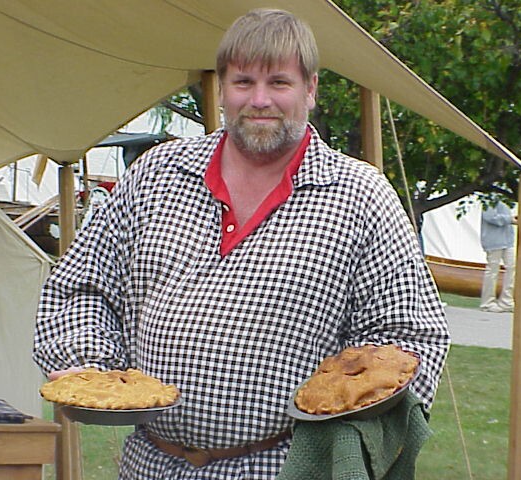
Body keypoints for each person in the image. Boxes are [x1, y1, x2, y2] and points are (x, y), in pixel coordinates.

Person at [33, 8, 450, 479]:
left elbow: (409, 337)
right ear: (222, 87)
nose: (260, 100)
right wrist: (86, 368)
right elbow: (80, 288)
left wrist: (350, 433)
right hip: (150, 464)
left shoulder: (360, 196)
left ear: (311, 89)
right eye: (243, 82)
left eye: (279, 82)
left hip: (285, 466)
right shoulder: (156, 174)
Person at [480, 200, 517, 313]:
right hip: (493, 240)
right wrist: (509, 219)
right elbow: (490, 216)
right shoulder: (490, 196)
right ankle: (487, 303)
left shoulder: (505, 194)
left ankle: (507, 301)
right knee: (492, 271)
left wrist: (511, 219)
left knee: (512, 267)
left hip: (507, 240)